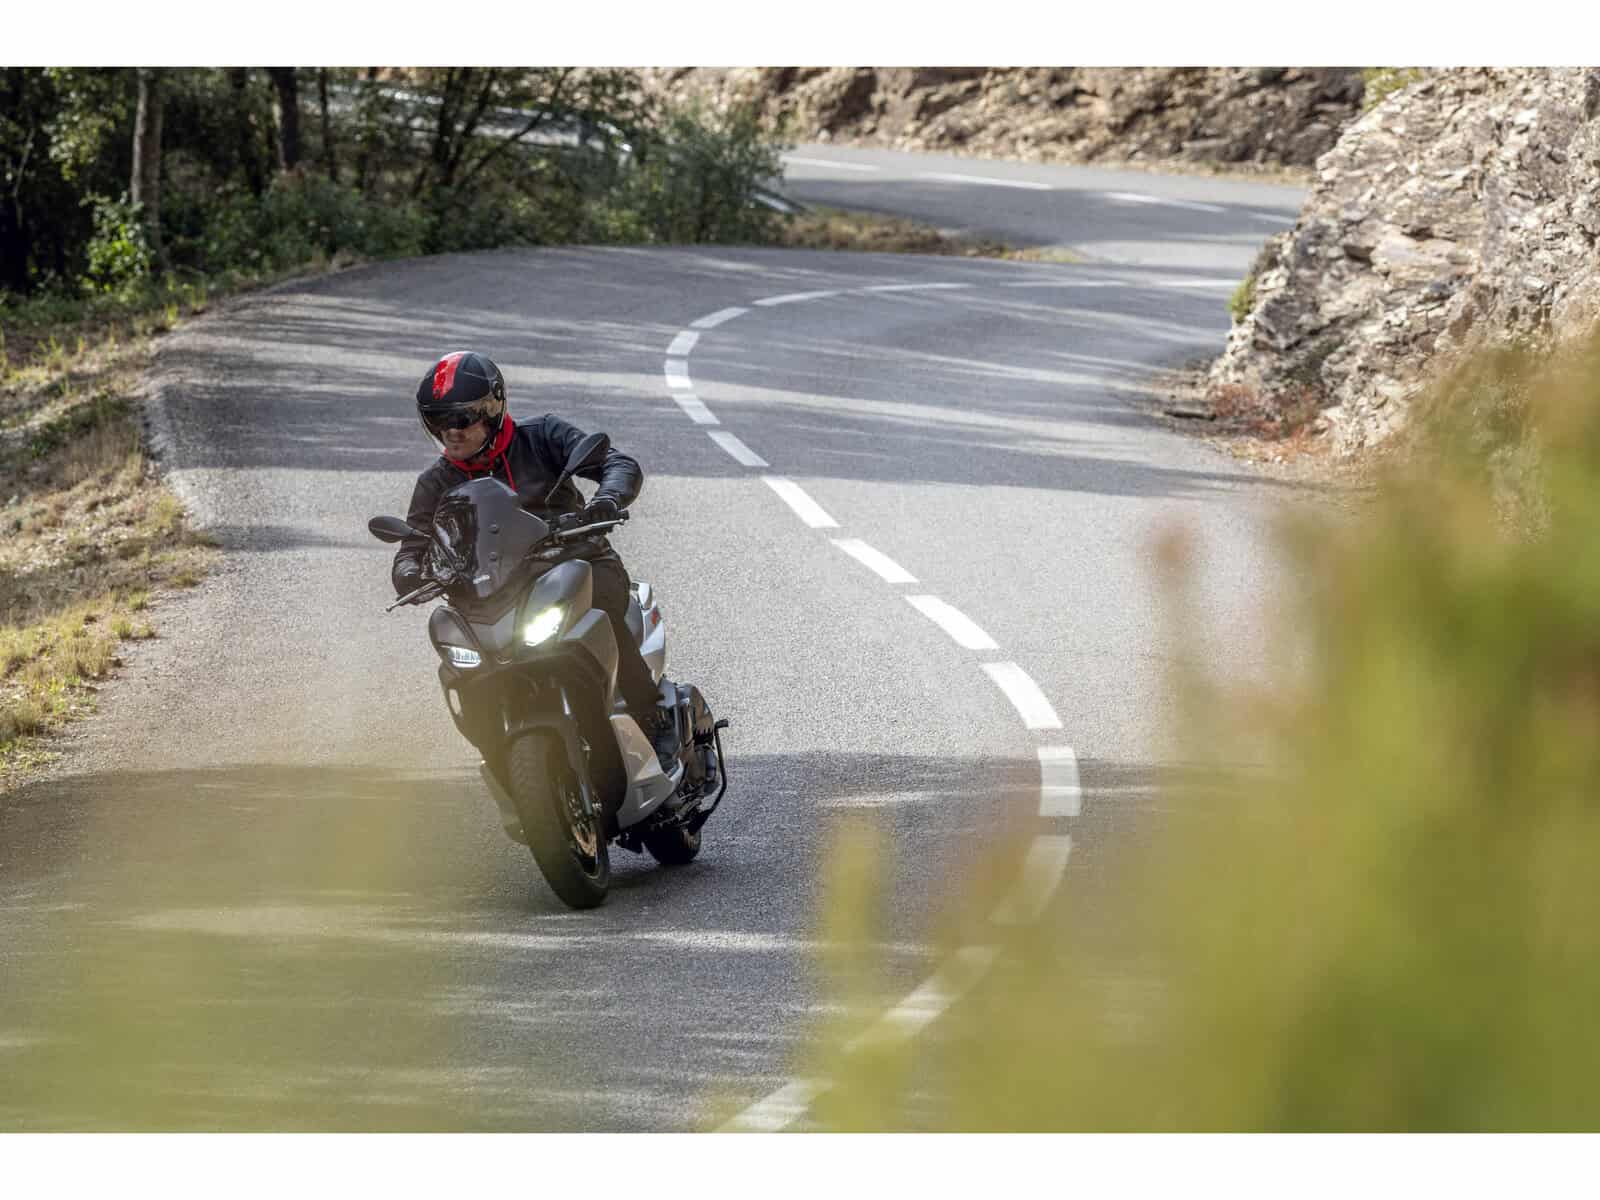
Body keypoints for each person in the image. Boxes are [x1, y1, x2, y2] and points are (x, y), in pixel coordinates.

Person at [391, 350, 677, 764]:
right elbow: (413, 540)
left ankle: (653, 719)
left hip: (575, 563)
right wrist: (407, 569)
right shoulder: (436, 480)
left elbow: (617, 463)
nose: (449, 433)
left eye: (460, 419)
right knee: (463, 660)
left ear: (492, 409)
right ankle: (497, 751)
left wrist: (607, 498)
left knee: (605, 611)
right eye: (437, 421)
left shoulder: (542, 436)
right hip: (491, 591)